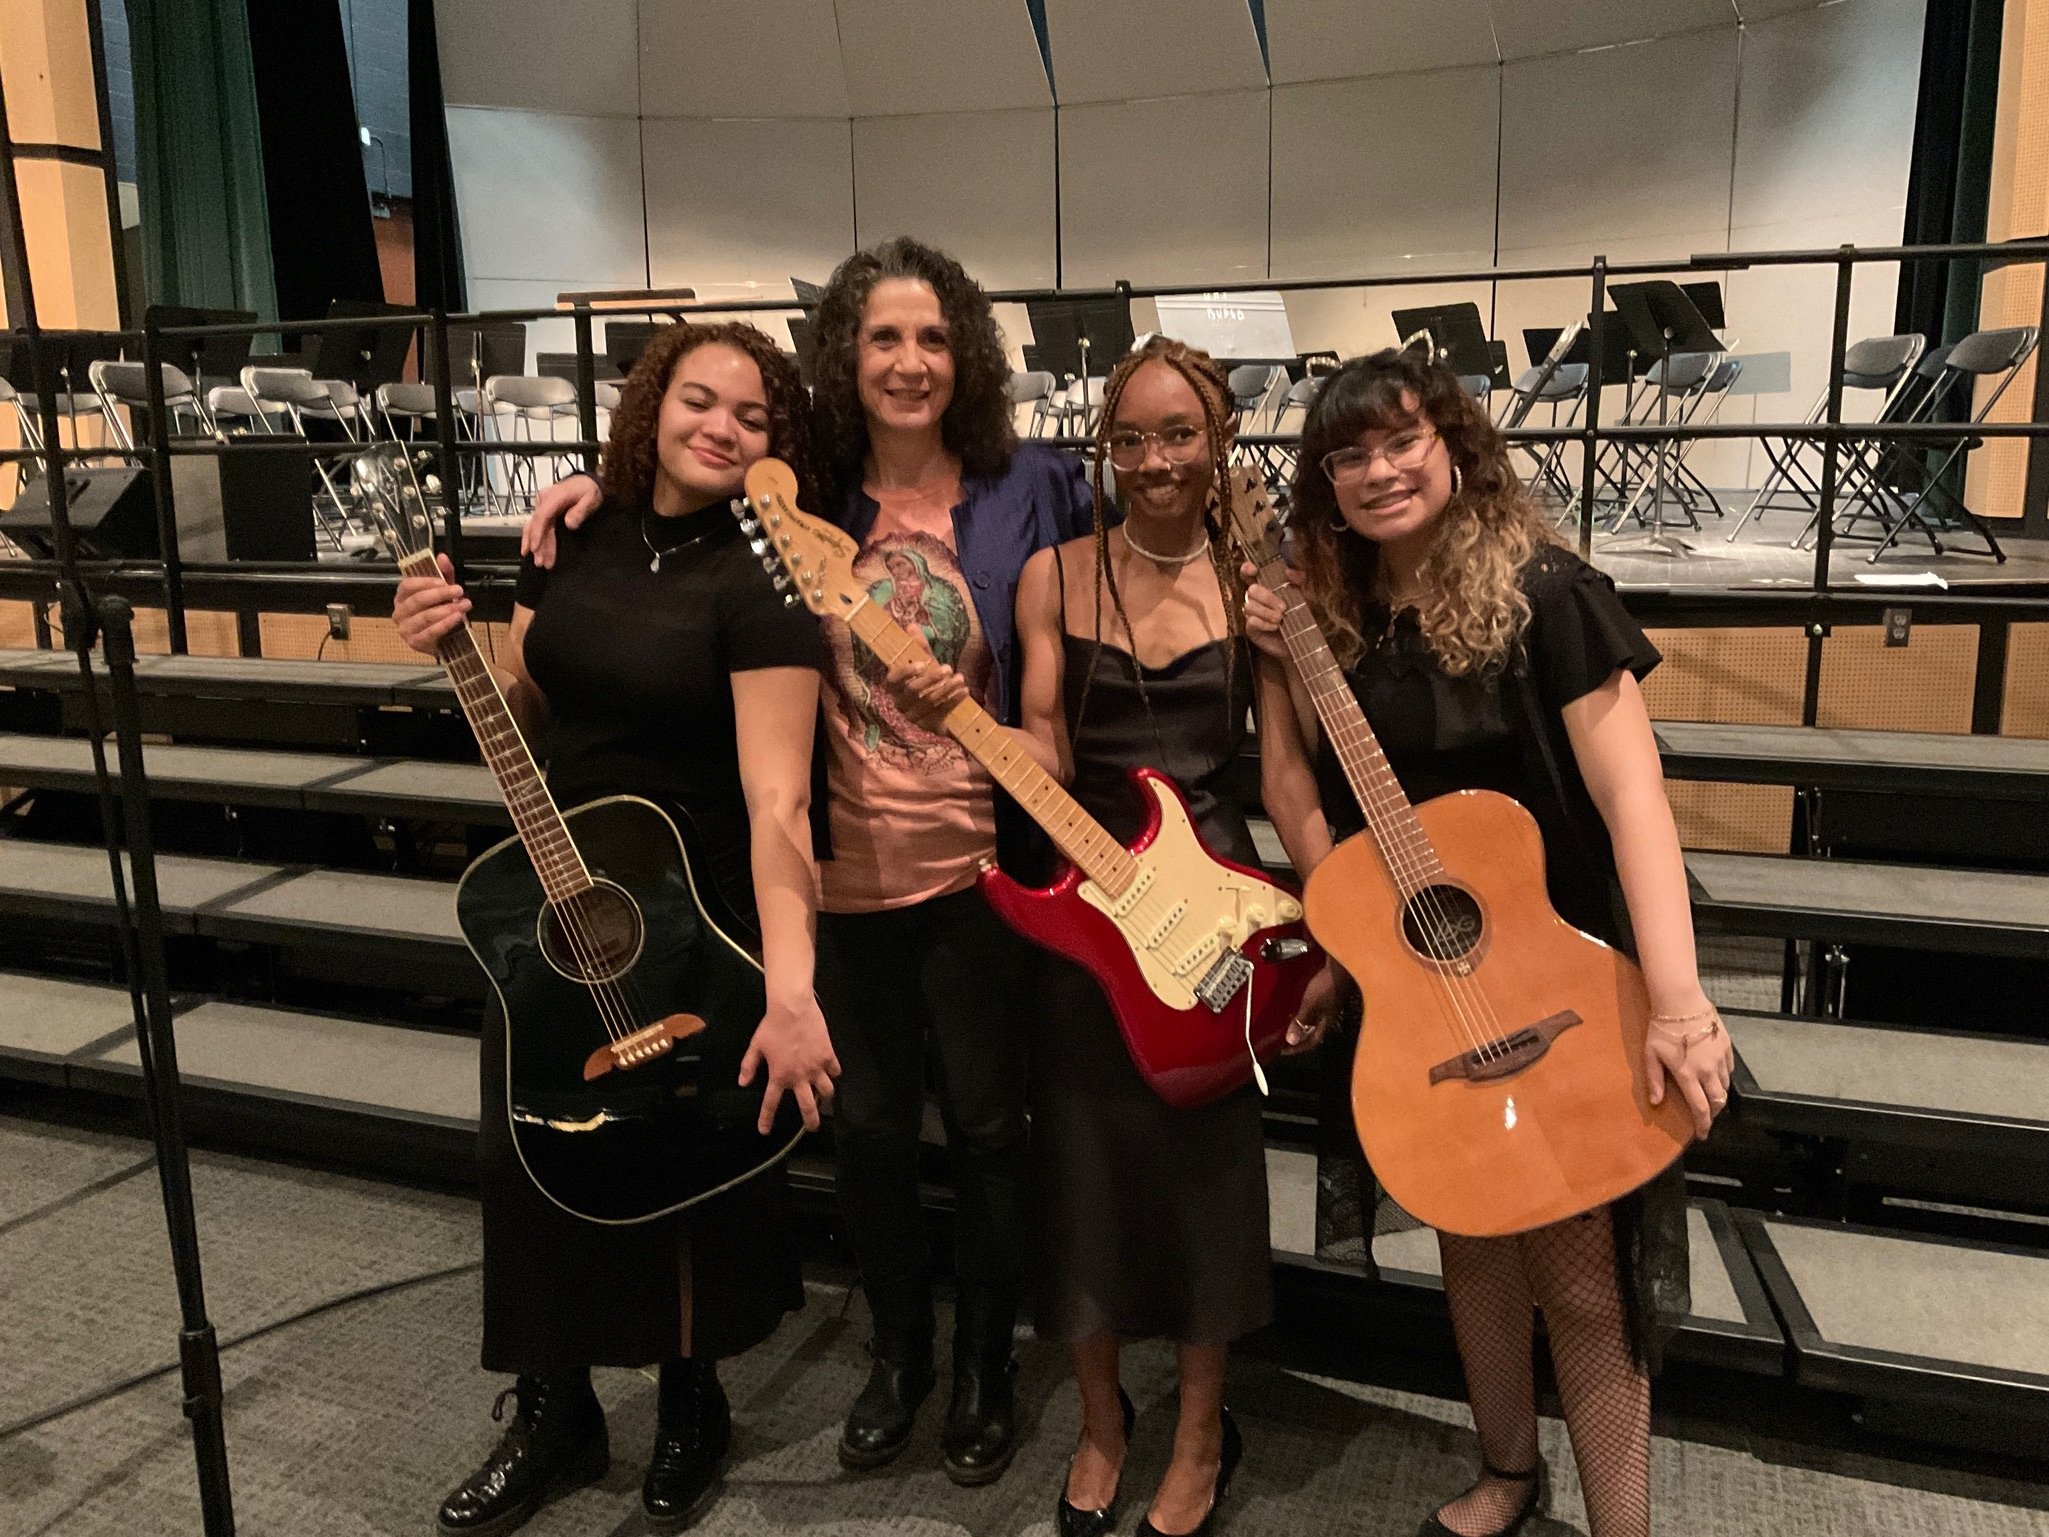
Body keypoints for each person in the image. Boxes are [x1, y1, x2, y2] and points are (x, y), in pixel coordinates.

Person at [518, 236, 1093, 1484]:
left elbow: (1065, 671)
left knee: (994, 1131)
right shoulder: (800, 497)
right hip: (840, 880)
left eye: (934, 337)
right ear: (847, 354)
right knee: (874, 1133)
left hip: (986, 874)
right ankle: (901, 1358)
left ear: (968, 357)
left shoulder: (1022, 488)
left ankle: (987, 1362)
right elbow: (658, 502)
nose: (908, 362)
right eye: (882, 338)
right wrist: (580, 488)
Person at [1244, 347, 1731, 1537]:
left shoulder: (1550, 593)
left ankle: (1625, 1524)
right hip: (1430, 980)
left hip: (1558, 972)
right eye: (1347, 456)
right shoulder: (1337, 619)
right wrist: (1358, 935)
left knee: (1576, 1268)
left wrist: (1678, 1001)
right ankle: (1510, 1468)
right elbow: (1302, 800)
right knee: (1469, 1235)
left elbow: (1634, 801)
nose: (1378, 471)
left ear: (1455, 445)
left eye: (1401, 441)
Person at [395, 320, 840, 1535]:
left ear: (778, 446)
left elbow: (781, 798)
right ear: (652, 405)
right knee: (529, 1148)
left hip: (695, 905)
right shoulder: (574, 535)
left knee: (674, 1163)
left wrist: (793, 990)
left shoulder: (767, 578)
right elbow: (537, 699)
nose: (723, 428)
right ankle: (553, 1408)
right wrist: (455, 645)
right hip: (560, 889)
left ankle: (694, 1401)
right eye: (701, 401)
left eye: (753, 418)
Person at [892, 337, 1308, 1537]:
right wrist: (953, 717)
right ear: (1105, 450)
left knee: (1209, 1190)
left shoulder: (1257, 594)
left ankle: (1194, 1436)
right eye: (1132, 439)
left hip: (1219, 910)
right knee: (1076, 1173)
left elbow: (1282, 781)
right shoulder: (1052, 578)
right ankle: (1101, 1420)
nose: (1158, 460)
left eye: (1181, 434)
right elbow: (1044, 752)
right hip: (1087, 911)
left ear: (1219, 439)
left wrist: (1333, 932)